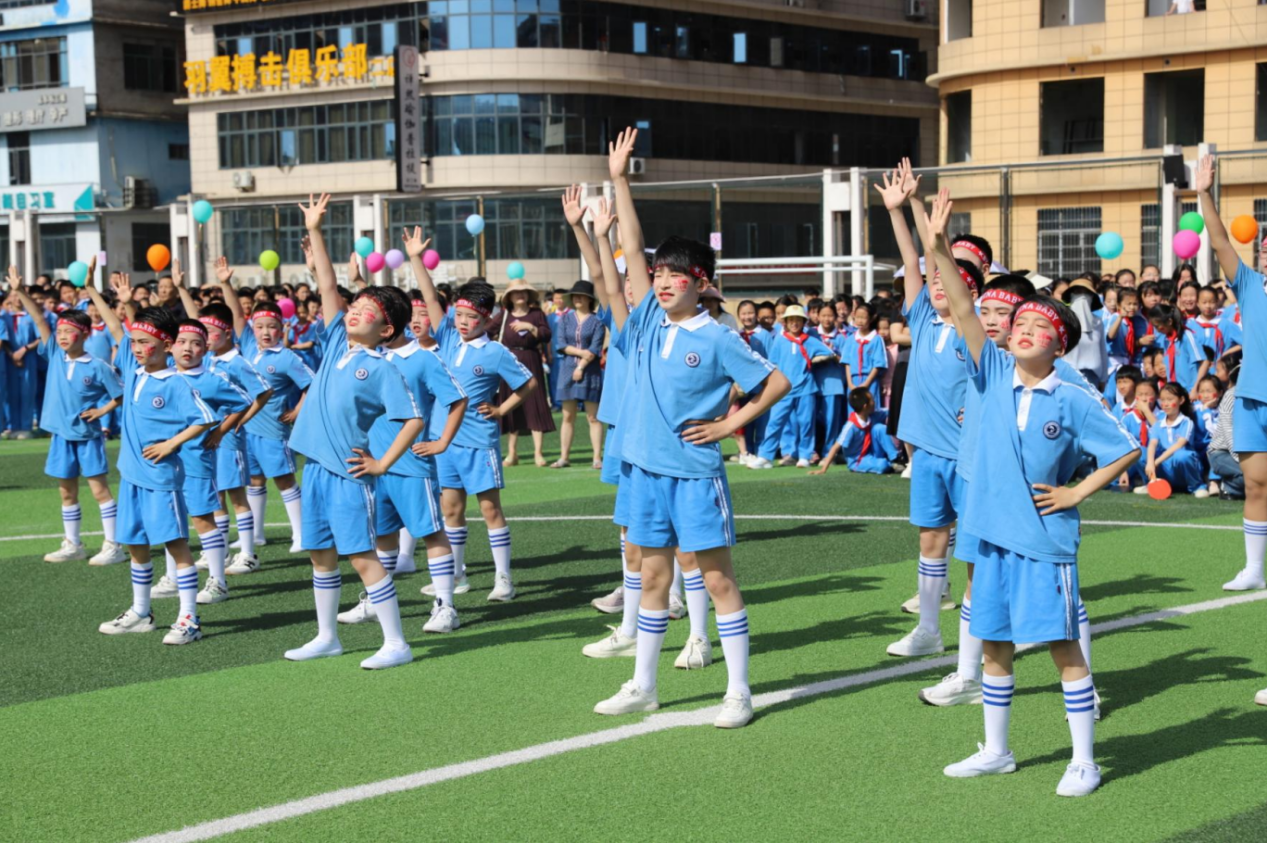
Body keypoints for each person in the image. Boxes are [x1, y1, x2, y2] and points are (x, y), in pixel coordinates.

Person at [928, 188, 1139, 798]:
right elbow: (966, 309)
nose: (1020, 331)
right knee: (994, 646)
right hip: (989, 536)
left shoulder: (1072, 396)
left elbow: (1126, 449)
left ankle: (1083, 760)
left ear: (1060, 343)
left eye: (1036, 326)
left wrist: (1077, 494)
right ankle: (997, 750)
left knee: (1063, 649)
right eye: (1018, 323)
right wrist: (940, 246)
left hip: (1045, 542)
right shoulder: (990, 371)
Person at [592, 127, 791, 729]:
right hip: (646, 469)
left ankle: (738, 691)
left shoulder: (718, 336)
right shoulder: (648, 322)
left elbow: (777, 381)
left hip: (695, 474)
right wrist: (621, 180)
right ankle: (645, 684)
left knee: (717, 577)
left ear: (701, 281)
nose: (661, 280)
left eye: (676, 275)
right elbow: (630, 248)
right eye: (657, 274)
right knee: (652, 574)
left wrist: (732, 422)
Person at [283, 193, 426, 669]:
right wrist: (317, 231)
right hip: (316, 470)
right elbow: (327, 285)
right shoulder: (332, 346)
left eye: (366, 312)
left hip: (349, 475)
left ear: (386, 330)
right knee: (320, 555)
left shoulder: (382, 368)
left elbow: (413, 419)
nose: (353, 312)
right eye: (354, 307)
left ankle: (396, 643)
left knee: (362, 557)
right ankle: (327, 636)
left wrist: (383, 463)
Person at [880, 161, 984, 657]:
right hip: (926, 454)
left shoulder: (974, 329)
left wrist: (931, 229)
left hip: (967, 455)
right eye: (936, 279)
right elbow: (916, 256)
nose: (940, 283)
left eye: (952, 279)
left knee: (974, 549)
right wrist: (902, 210)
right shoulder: (921, 316)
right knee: (930, 542)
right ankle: (928, 629)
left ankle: (981, 630)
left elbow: (935, 256)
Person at [335, 276, 469, 635]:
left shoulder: (422, 359)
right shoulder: (369, 357)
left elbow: (457, 399)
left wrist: (441, 442)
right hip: (372, 465)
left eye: (371, 313)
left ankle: (446, 606)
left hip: (411, 464)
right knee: (382, 535)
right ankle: (375, 600)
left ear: (387, 325)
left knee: (431, 533)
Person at [91, 299, 221, 645]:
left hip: (162, 480)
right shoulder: (134, 372)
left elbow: (206, 418)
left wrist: (171, 444)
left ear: (166, 346)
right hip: (131, 477)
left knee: (177, 545)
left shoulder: (176, 383)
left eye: (144, 343)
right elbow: (120, 329)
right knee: (135, 544)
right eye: (133, 343)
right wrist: (94, 290)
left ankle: (189, 618)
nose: (136, 349)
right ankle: (141, 612)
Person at [415, 244, 537, 603]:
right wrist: (416, 260)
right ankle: (456, 574)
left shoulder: (496, 352)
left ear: (487, 320)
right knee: (451, 510)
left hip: (479, 441)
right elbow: (428, 296)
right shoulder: (448, 337)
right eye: (460, 315)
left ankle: (504, 578)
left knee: (488, 509)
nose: (463, 323)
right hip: (443, 440)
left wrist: (501, 410)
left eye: (472, 318)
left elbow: (528, 383)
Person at [8, 268, 126, 566]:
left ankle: (114, 544)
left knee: (100, 490)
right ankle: (73, 543)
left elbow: (121, 395)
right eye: (59, 331)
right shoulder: (55, 354)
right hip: (61, 436)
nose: (61, 337)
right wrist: (20, 290)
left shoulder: (98, 366)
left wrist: (102, 411)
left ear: (84, 335)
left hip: (87, 437)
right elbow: (38, 318)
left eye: (67, 332)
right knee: (66, 491)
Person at [1194, 160, 1267, 623]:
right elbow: (1220, 242)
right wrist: (1205, 194)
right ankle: (1255, 568)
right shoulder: (1251, 284)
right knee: (1257, 485)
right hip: (1252, 400)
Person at [153, 318, 261, 605]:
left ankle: (218, 581)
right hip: (165, 460)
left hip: (197, 459)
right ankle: (173, 577)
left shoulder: (212, 379)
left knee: (202, 518)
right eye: (182, 342)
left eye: (197, 343)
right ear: (170, 346)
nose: (188, 348)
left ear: (205, 350)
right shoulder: (162, 376)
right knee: (171, 517)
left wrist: (221, 431)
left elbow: (244, 401)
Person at [214, 258, 314, 556]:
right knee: (254, 481)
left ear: (282, 328)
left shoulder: (287, 358)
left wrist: (296, 412)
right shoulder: (246, 347)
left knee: (284, 480)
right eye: (260, 326)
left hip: (273, 431)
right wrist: (225, 283)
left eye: (272, 326)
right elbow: (235, 315)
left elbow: (311, 386)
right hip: (246, 432)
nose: (265, 331)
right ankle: (256, 534)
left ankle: (301, 534)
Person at [748, 305, 833, 468]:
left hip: (806, 388)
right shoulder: (780, 340)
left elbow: (829, 352)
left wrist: (816, 359)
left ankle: (805, 456)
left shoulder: (810, 340)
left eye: (798, 320)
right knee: (775, 422)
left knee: (806, 424)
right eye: (791, 320)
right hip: (784, 390)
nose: (794, 323)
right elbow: (772, 363)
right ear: (785, 322)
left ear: (803, 322)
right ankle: (766, 456)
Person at [489, 279, 554, 467]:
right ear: (509, 296)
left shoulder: (536, 314)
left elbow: (547, 334)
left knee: (536, 403)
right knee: (511, 404)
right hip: (509, 362)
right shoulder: (504, 315)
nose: (520, 295)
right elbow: (486, 331)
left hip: (532, 359)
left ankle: (538, 453)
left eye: (524, 292)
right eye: (516, 292)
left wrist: (531, 328)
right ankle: (512, 453)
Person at [551, 280, 606, 469]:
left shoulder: (597, 320)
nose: (577, 298)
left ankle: (597, 457)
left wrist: (581, 366)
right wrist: (581, 353)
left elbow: (596, 348)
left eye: (582, 295)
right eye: (575, 295)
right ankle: (564, 456)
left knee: (593, 416)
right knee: (568, 416)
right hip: (566, 370)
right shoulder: (565, 319)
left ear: (590, 299)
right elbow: (560, 344)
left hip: (590, 372)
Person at [809, 387, 899, 475]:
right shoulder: (850, 426)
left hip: (873, 453)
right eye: (872, 400)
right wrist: (823, 469)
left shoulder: (874, 414)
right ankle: (887, 464)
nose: (874, 402)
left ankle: (896, 460)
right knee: (882, 465)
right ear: (865, 406)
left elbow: (891, 411)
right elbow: (835, 447)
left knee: (879, 428)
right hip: (858, 460)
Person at [1140, 382, 1206, 497]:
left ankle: (1196, 487)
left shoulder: (1186, 422)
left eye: (1170, 399)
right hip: (1165, 465)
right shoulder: (1158, 424)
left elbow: (1179, 445)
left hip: (1178, 463)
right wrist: (1150, 462)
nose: (1165, 404)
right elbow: (1152, 444)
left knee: (1182, 455)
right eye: (1163, 400)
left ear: (1181, 400)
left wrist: (1156, 462)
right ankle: (1151, 482)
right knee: (1140, 452)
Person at [1148, 303, 1208, 394]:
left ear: (1169, 322)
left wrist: (1195, 388)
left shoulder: (1187, 336)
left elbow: (1204, 362)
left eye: (1157, 326)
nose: (1157, 330)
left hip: (1190, 390)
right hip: (1175, 391)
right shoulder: (1166, 340)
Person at [841, 301, 888, 408]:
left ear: (871, 318)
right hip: (853, 381)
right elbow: (847, 363)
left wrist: (866, 383)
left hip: (870, 381)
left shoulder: (876, 339)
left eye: (863, 317)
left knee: (871, 410)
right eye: (857, 317)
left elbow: (878, 364)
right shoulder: (850, 339)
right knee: (853, 412)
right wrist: (850, 383)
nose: (860, 321)